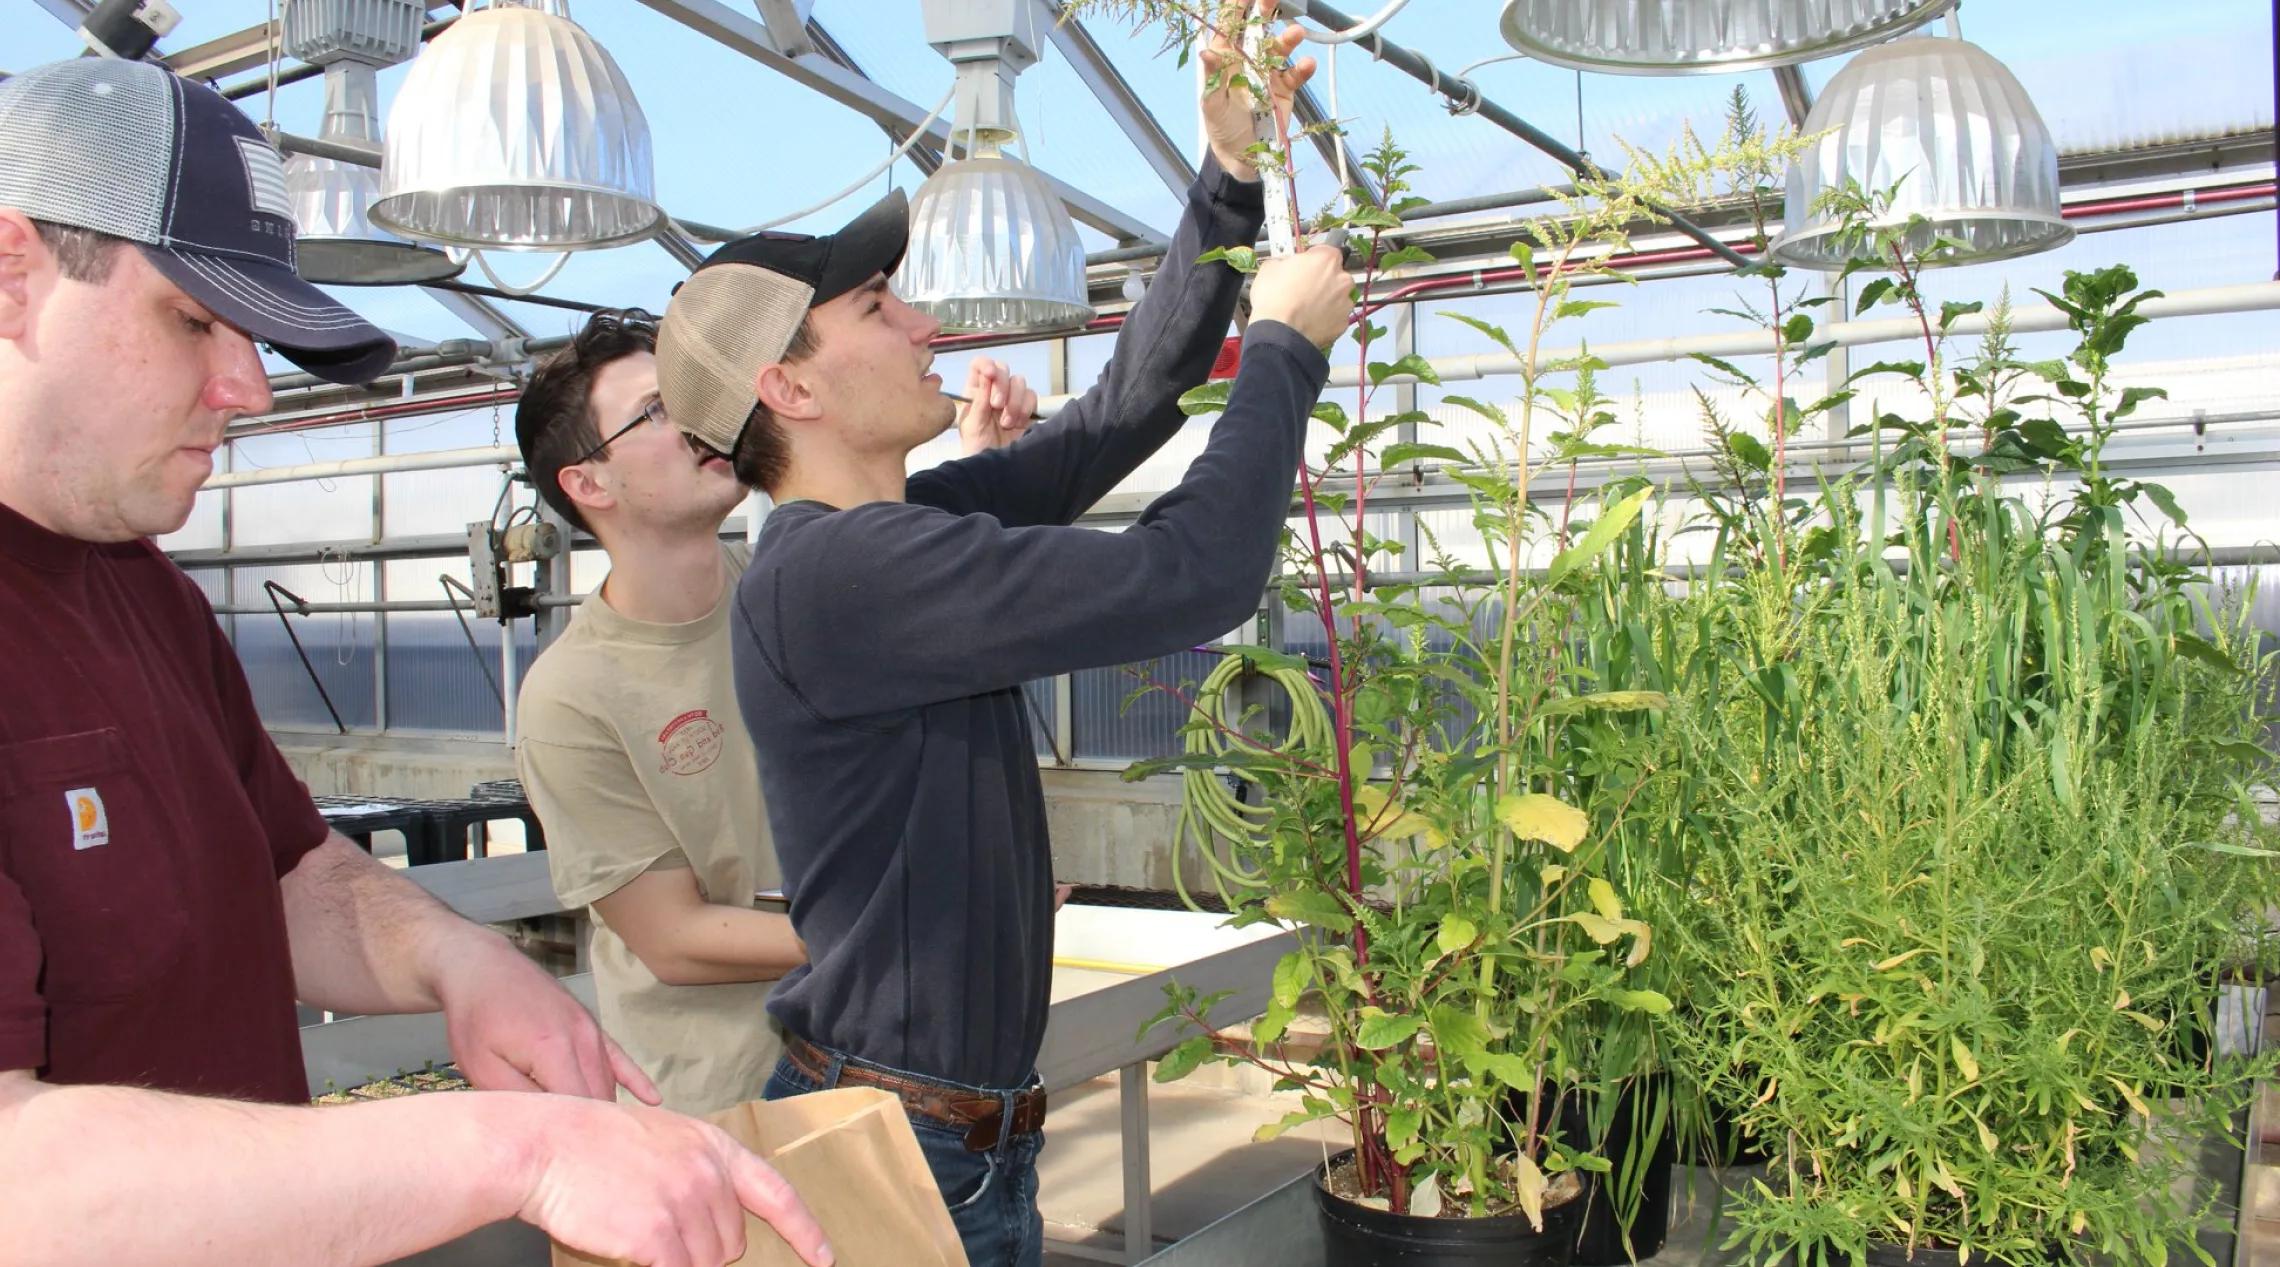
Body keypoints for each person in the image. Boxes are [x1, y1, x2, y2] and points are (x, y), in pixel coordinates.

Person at [0, 57, 828, 1267]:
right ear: (10, 274)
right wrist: (523, 1150)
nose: (246, 388)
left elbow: (288, 870)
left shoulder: (143, 588)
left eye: (256, 335)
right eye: (193, 319)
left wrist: (460, 957)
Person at [652, 3, 1350, 1261]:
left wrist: (1230, 176)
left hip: (953, 1134)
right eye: (878, 308)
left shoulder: (888, 531)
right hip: (903, 1148)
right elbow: (1193, 575)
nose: (926, 325)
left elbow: (1117, 417)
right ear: (788, 387)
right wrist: (1284, 353)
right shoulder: (840, 576)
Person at [512, 308, 1036, 1114]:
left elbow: (922, 589)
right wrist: (919, 921)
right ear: (587, 484)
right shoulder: (571, 696)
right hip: (728, 1108)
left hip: (882, 1064)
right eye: (655, 411)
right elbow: (674, 938)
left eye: (690, 395)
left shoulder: (788, 590)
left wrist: (983, 466)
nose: (695, 421)